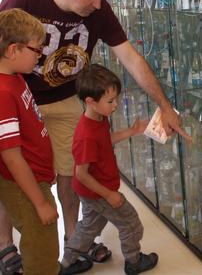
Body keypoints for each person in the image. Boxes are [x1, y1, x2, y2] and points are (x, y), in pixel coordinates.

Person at [0, 0, 187, 268]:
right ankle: (4, 242)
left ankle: (75, 239)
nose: (98, 4)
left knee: (71, 169)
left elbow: (131, 58)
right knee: (15, 172)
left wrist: (165, 106)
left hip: (65, 97)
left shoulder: (99, 10)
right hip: (23, 98)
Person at [0, 8, 62, 275]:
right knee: (42, 253)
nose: (40, 55)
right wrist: (40, 202)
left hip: (33, 176)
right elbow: (12, 157)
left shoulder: (12, 75)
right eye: (36, 50)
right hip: (25, 186)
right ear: (12, 50)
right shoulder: (0, 93)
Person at [60, 64, 155, 275]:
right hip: (98, 191)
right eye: (110, 101)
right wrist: (108, 194)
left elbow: (105, 141)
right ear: (90, 102)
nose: (116, 104)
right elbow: (81, 173)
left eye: (116, 98)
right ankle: (134, 261)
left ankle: (67, 263)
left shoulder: (98, 118)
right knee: (130, 223)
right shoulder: (86, 135)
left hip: (92, 192)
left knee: (89, 227)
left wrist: (132, 130)